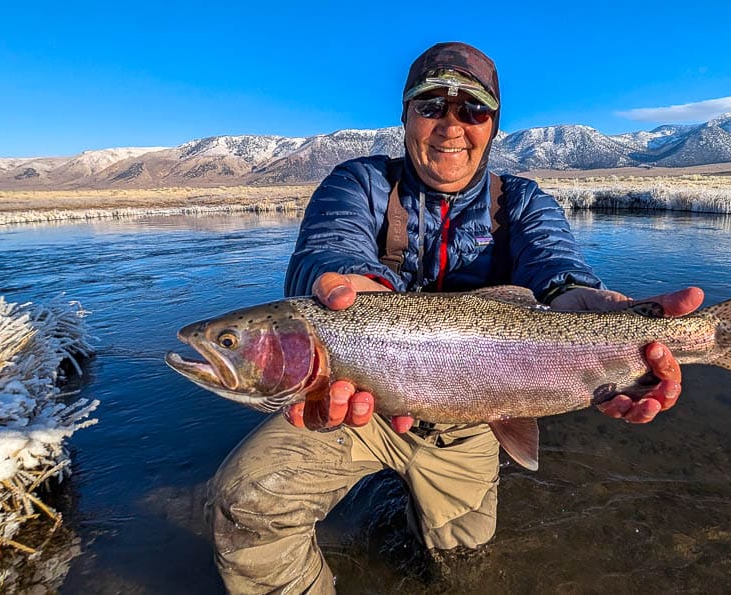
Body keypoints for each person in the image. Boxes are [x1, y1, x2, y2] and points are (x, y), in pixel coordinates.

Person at [207, 42, 703, 594]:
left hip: (476, 417)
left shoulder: (522, 202)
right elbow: (327, 248)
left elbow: (554, 261)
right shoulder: (359, 184)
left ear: (493, 125)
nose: (451, 127)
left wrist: (577, 295)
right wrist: (340, 280)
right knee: (246, 504)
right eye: (431, 107)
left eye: (472, 110)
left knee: (462, 568)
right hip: (349, 403)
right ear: (405, 115)